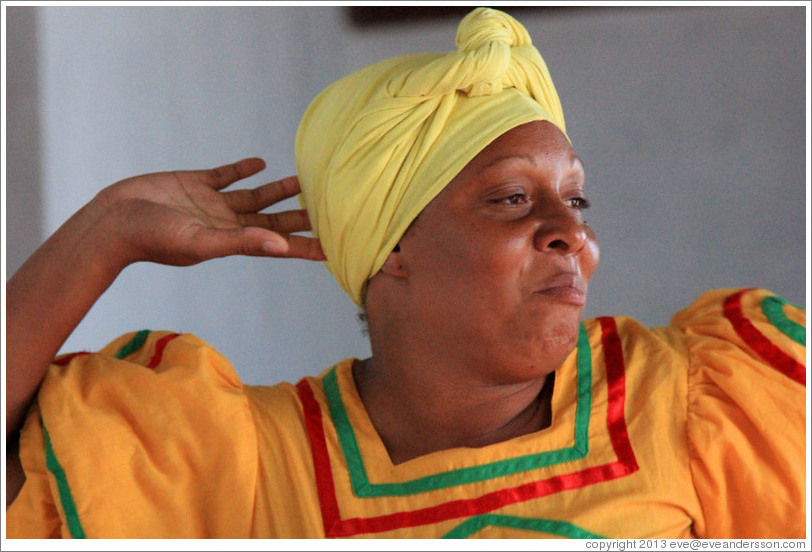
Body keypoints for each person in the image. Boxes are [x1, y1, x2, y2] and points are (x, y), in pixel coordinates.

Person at [5, 7, 806, 539]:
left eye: (576, 197)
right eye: (513, 198)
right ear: (392, 246)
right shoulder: (251, 471)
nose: (571, 234)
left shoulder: (698, 404)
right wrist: (103, 233)